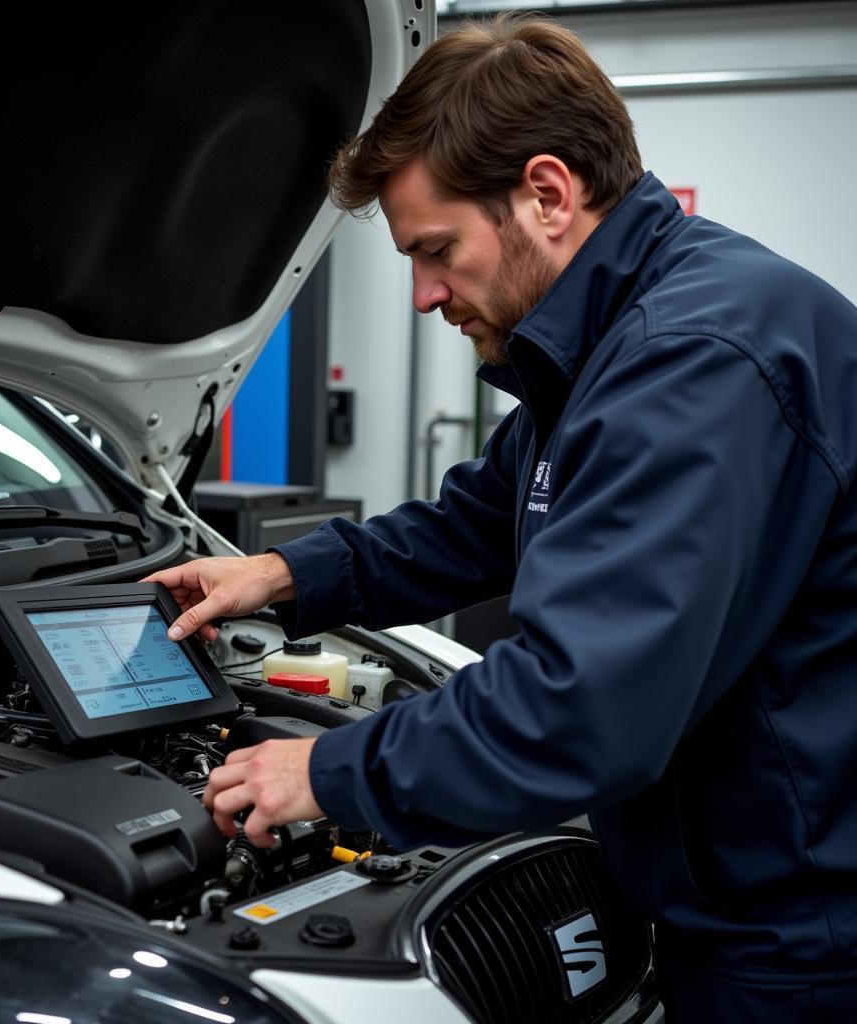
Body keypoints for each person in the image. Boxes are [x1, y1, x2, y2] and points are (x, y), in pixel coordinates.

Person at [146, 14, 857, 1020]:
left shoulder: (694, 360)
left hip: (800, 947)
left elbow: (580, 708)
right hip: (742, 896)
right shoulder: (619, 337)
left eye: (436, 250)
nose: (424, 294)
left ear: (547, 195)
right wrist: (283, 577)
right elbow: (479, 520)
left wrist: (330, 769)